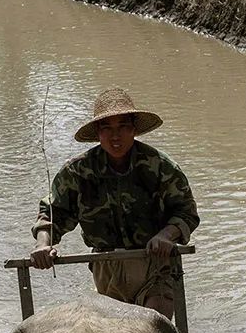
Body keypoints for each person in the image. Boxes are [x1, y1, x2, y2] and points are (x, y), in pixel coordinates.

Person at [30, 88, 199, 319]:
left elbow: (186, 212)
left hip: (155, 263)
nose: (115, 136)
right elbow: (53, 214)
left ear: (134, 130)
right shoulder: (77, 172)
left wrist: (166, 236)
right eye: (107, 128)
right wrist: (43, 245)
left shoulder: (160, 167)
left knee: (151, 328)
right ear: (98, 133)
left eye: (122, 127)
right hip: (106, 267)